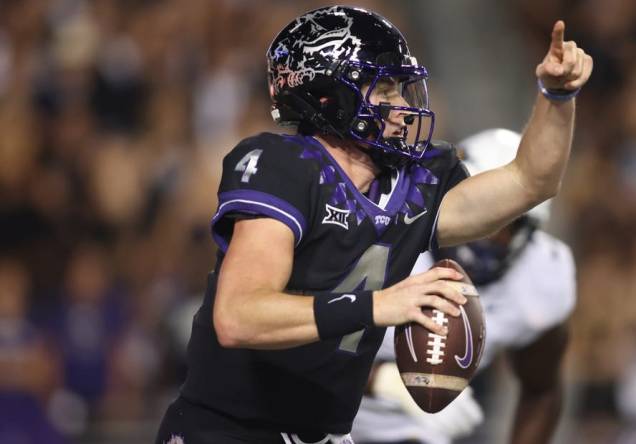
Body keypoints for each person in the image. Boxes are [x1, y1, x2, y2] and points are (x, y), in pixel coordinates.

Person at [156, 5, 592, 444]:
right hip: (228, 431)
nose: (402, 107)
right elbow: (238, 317)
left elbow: (529, 182)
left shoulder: (415, 180)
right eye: (385, 91)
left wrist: (557, 97)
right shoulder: (285, 167)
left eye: (401, 90)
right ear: (330, 96)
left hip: (325, 433)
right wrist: (378, 306)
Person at [352, 129, 576, 444]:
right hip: (311, 411)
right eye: (478, 207)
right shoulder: (381, 235)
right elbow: (295, 341)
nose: (486, 229)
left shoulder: (539, 279)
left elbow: (541, 390)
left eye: (505, 222)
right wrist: (385, 381)